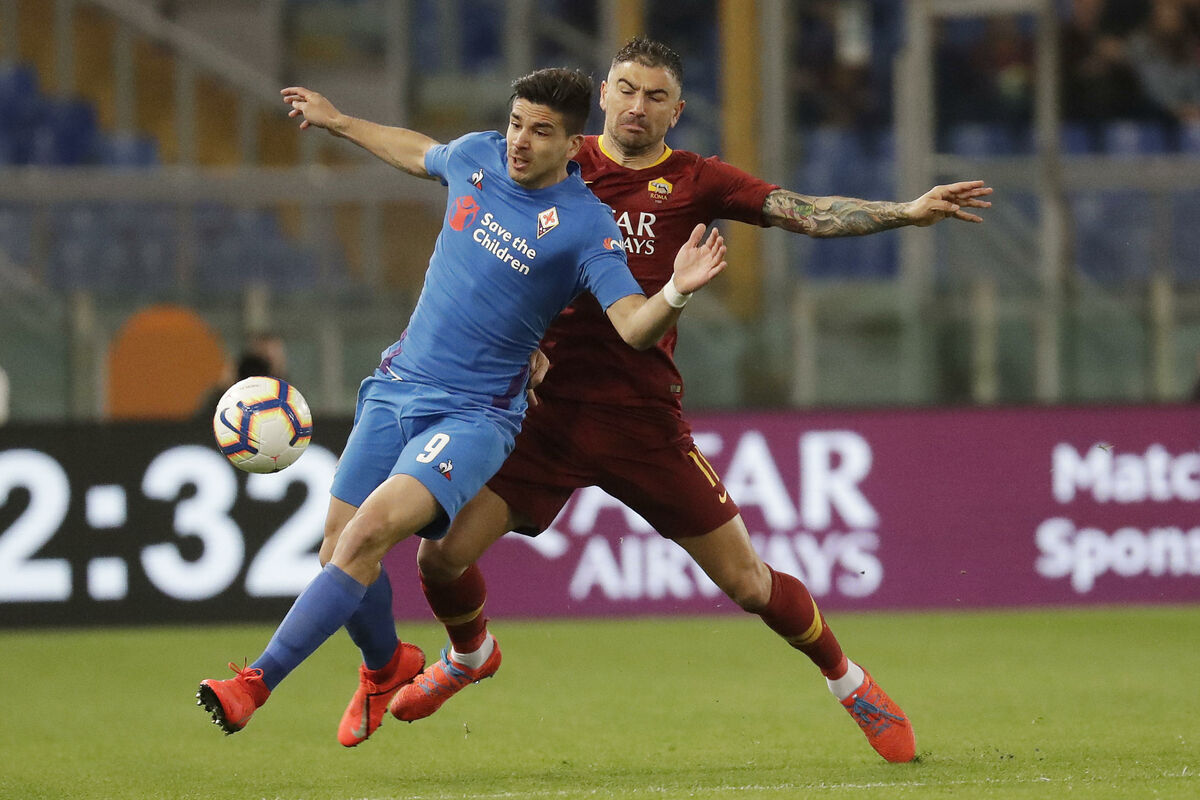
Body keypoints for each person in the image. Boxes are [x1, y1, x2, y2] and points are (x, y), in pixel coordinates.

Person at [384, 38, 993, 764]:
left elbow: (803, 211)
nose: (637, 106)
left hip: (640, 420)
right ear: (603, 94)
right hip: (542, 417)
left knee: (747, 582)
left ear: (677, 110)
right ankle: (469, 654)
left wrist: (906, 212)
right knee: (440, 558)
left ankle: (849, 681)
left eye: (655, 96)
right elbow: (480, 231)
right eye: (626, 89)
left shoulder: (698, 180)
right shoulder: (553, 158)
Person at [194, 66, 728, 744]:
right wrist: (339, 122)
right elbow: (418, 151)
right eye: (516, 124)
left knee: (365, 537)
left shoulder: (585, 225)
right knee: (336, 548)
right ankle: (385, 667)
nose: (519, 142)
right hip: (396, 385)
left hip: (474, 417)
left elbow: (631, 325)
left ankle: (255, 683)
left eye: (540, 132)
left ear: (573, 145)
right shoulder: (478, 155)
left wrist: (675, 291)